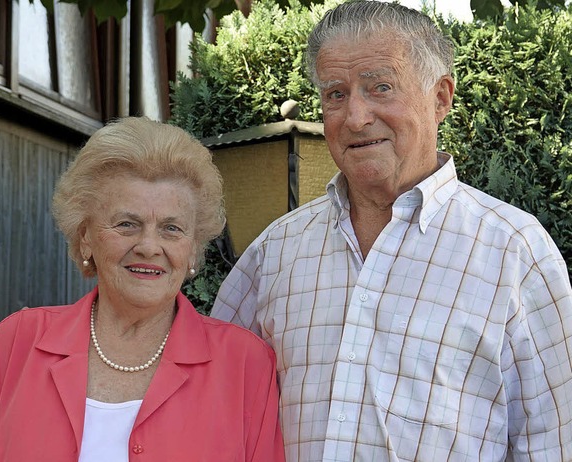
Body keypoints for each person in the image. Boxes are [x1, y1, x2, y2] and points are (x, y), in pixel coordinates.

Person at [211, 1, 572, 461]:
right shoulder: (276, 251)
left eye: (380, 87)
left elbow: (553, 443)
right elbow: (213, 404)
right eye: (335, 94)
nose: (356, 116)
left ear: (441, 97)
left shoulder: (514, 253)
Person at [0, 117, 285, 461]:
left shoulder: (245, 364)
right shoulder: (15, 343)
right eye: (127, 224)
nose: (149, 246)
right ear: (85, 238)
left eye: (171, 228)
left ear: (193, 248)